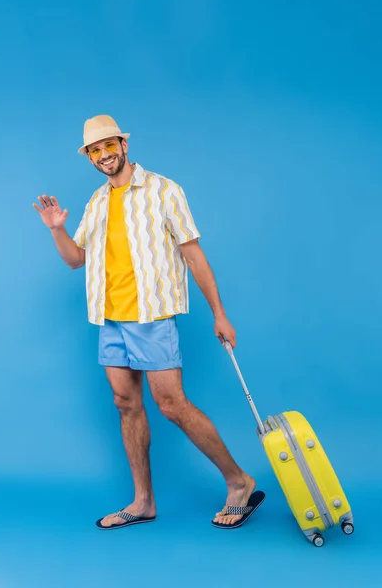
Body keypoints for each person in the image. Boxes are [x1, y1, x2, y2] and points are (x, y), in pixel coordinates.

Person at [32, 114, 265, 530]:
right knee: (126, 405)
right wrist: (57, 230)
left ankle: (239, 481)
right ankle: (143, 502)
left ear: (123, 144)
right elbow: (75, 260)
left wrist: (220, 314)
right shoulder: (97, 202)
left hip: (151, 316)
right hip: (110, 318)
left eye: (109, 146)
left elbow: (193, 254)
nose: (104, 155)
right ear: (90, 158)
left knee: (171, 404)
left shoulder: (164, 190)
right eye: (95, 151)